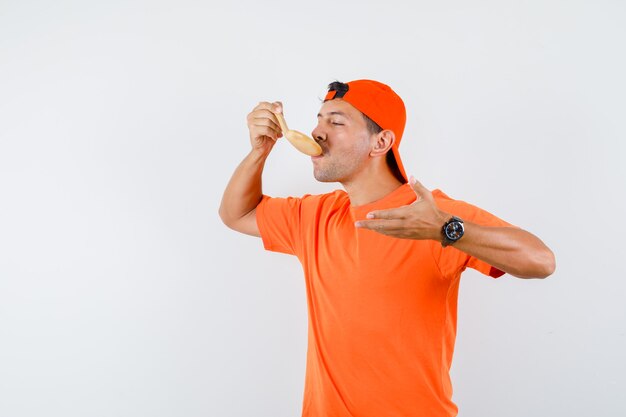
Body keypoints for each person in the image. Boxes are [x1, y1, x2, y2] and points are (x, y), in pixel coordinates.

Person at [219, 79, 556, 417]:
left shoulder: (431, 215)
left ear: (381, 142)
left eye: (336, 122)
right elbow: (237, 214)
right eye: (319, 119)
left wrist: (446, 230)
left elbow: (541, 260)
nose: (317, 132)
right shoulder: (315, 215)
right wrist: (260, 150)